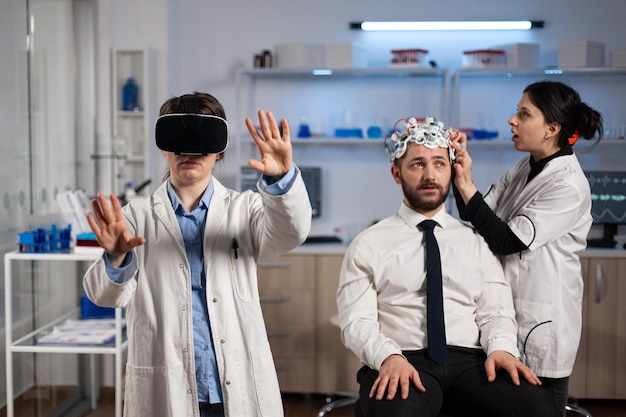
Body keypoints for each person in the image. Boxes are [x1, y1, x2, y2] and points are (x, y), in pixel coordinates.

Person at [82, 92, 312, 417]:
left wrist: (280, 179)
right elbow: (103, 296)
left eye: (202, 141)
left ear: (219, 150)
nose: (190, 152)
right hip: (166, 386)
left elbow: (292, 231)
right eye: (178, 140)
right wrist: (117, 259)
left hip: (233, 385)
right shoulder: (133, 217)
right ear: (163, 147)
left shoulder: (245, 210)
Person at [336, 117, 561, 417]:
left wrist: (502, 349)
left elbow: (496, 312)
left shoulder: (476, 241)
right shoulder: (367, 244)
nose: (430, 175)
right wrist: (388, 357)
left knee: (538, 408)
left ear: (452, 170)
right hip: (402, 358)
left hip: (472, 363)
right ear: (396, 173)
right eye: (417, 164)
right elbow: (356, 322)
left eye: (439, 164)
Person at [451, 81, 603, 415]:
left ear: (552, 128)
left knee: (541, 411)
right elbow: (474, 211)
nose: (512, 120)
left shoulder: (567, 184)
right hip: (506, 313)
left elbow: (506, 241)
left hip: (542, 321)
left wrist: (467, 188)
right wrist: (458, 171)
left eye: (523, 114)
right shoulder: (526, 166)